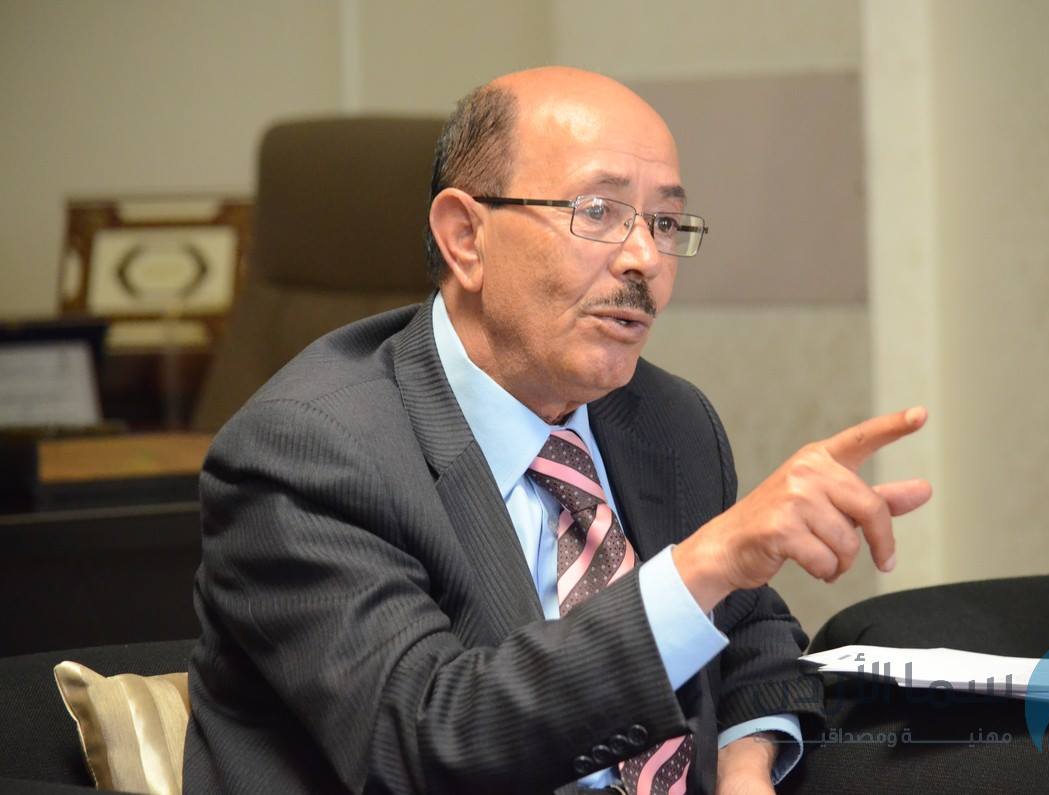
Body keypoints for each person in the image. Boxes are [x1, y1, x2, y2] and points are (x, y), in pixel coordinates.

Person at [183, 66, 931, 794]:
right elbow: (424, 741)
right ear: (465, 237)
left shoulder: (667, 419)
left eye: (665, 222)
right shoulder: (307, 452)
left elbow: (749, 631)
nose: (645, 258)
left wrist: (745, 765)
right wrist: (708, 561)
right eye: (598, 212)